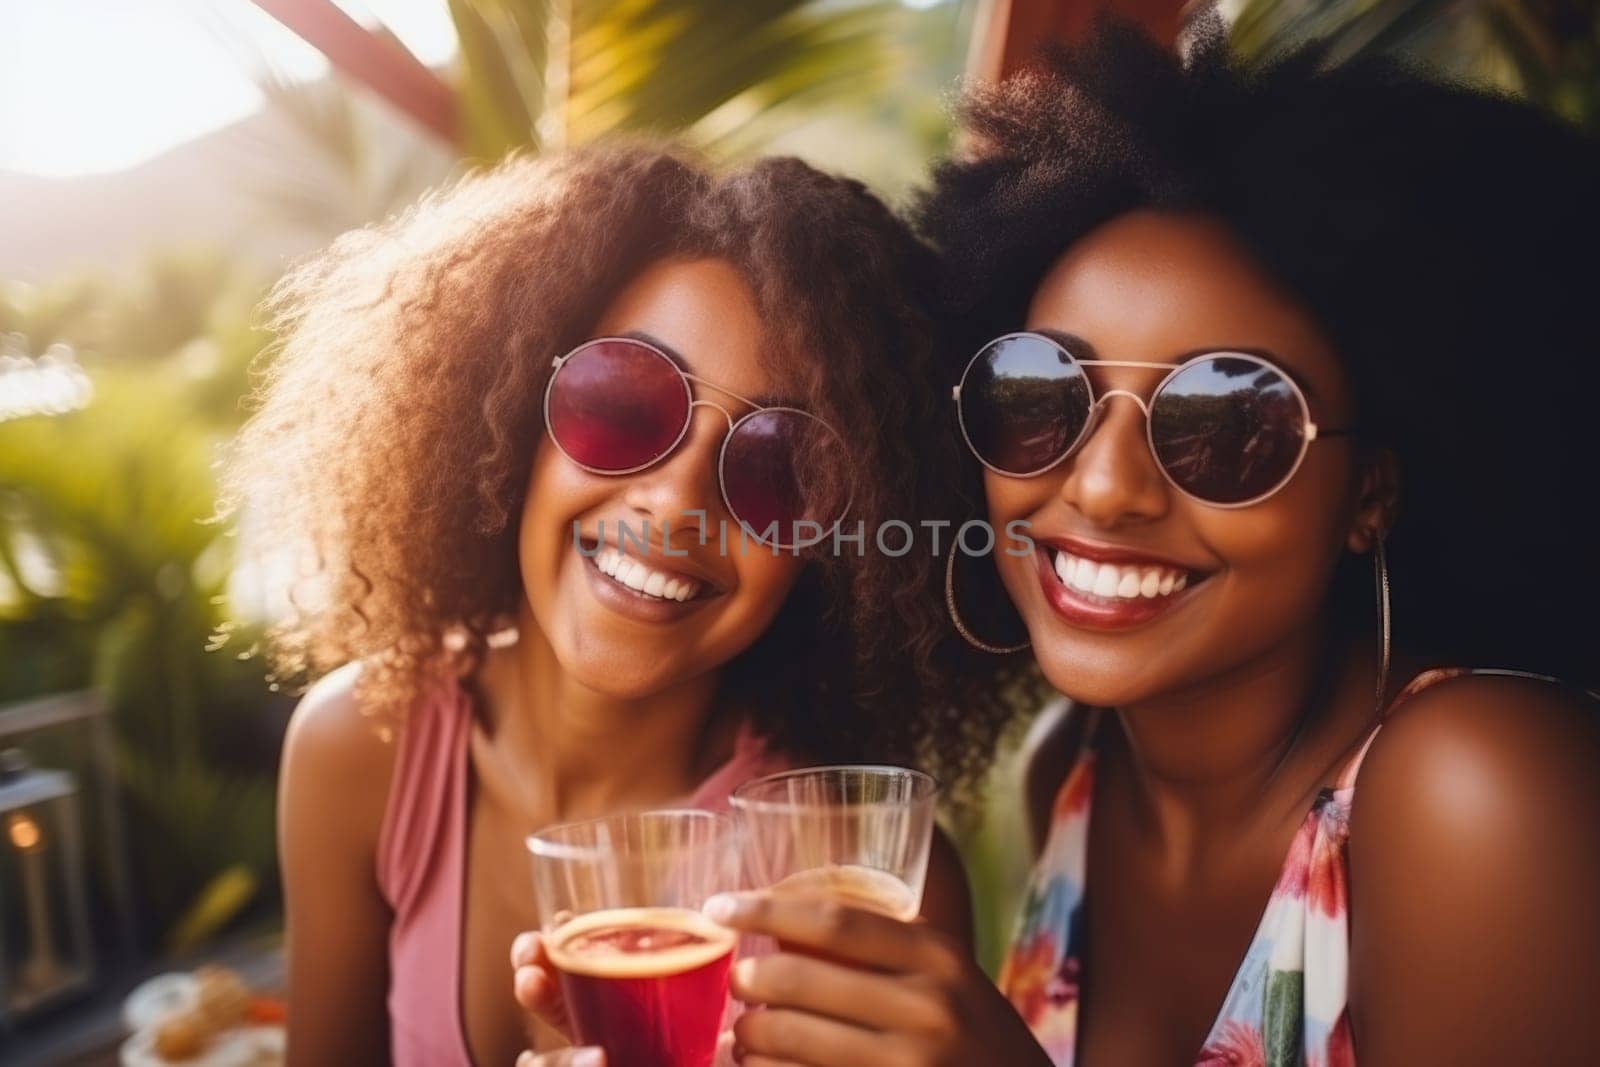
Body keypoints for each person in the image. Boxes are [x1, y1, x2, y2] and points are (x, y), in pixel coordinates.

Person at [704, 17, 1600, 1067]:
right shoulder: (1072, 773)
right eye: (1040, 394)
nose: (1103, 483)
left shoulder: (1478, 792)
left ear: (1370, 491)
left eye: (1224, 422)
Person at [226, 143, 1018, 1066]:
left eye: (783, 468)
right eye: (626, 404)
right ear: (519, 411)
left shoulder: (858, 883)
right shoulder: (361, 748)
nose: (676, 503)